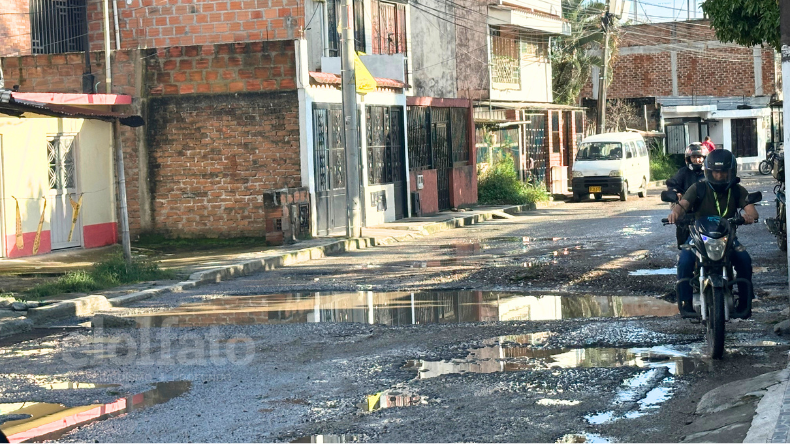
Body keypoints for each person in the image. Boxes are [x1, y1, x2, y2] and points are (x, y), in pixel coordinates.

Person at [667, 149, 759, 318]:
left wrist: (748, 217)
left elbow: (751, 210)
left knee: (744, 259)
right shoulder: (698, 188)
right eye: (715, 172)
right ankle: (685, 303)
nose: (719, 176)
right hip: (698, 236)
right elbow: (684, 204)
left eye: (723, 172)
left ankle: (745, 302)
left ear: (731, 172)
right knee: (685, 261)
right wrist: (675, 213)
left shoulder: (737, 190)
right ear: (709, 172)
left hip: (727, 237)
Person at [666, 143, 708, 248]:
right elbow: (673, 184)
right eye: (694, 157)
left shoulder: (710, 173)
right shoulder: (683, 172)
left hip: (707, 209)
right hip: (687, 211)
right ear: (688, 158)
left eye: (699, 157)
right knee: (684, 243)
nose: (697, 160)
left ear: (705, 158)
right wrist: (676, 192)